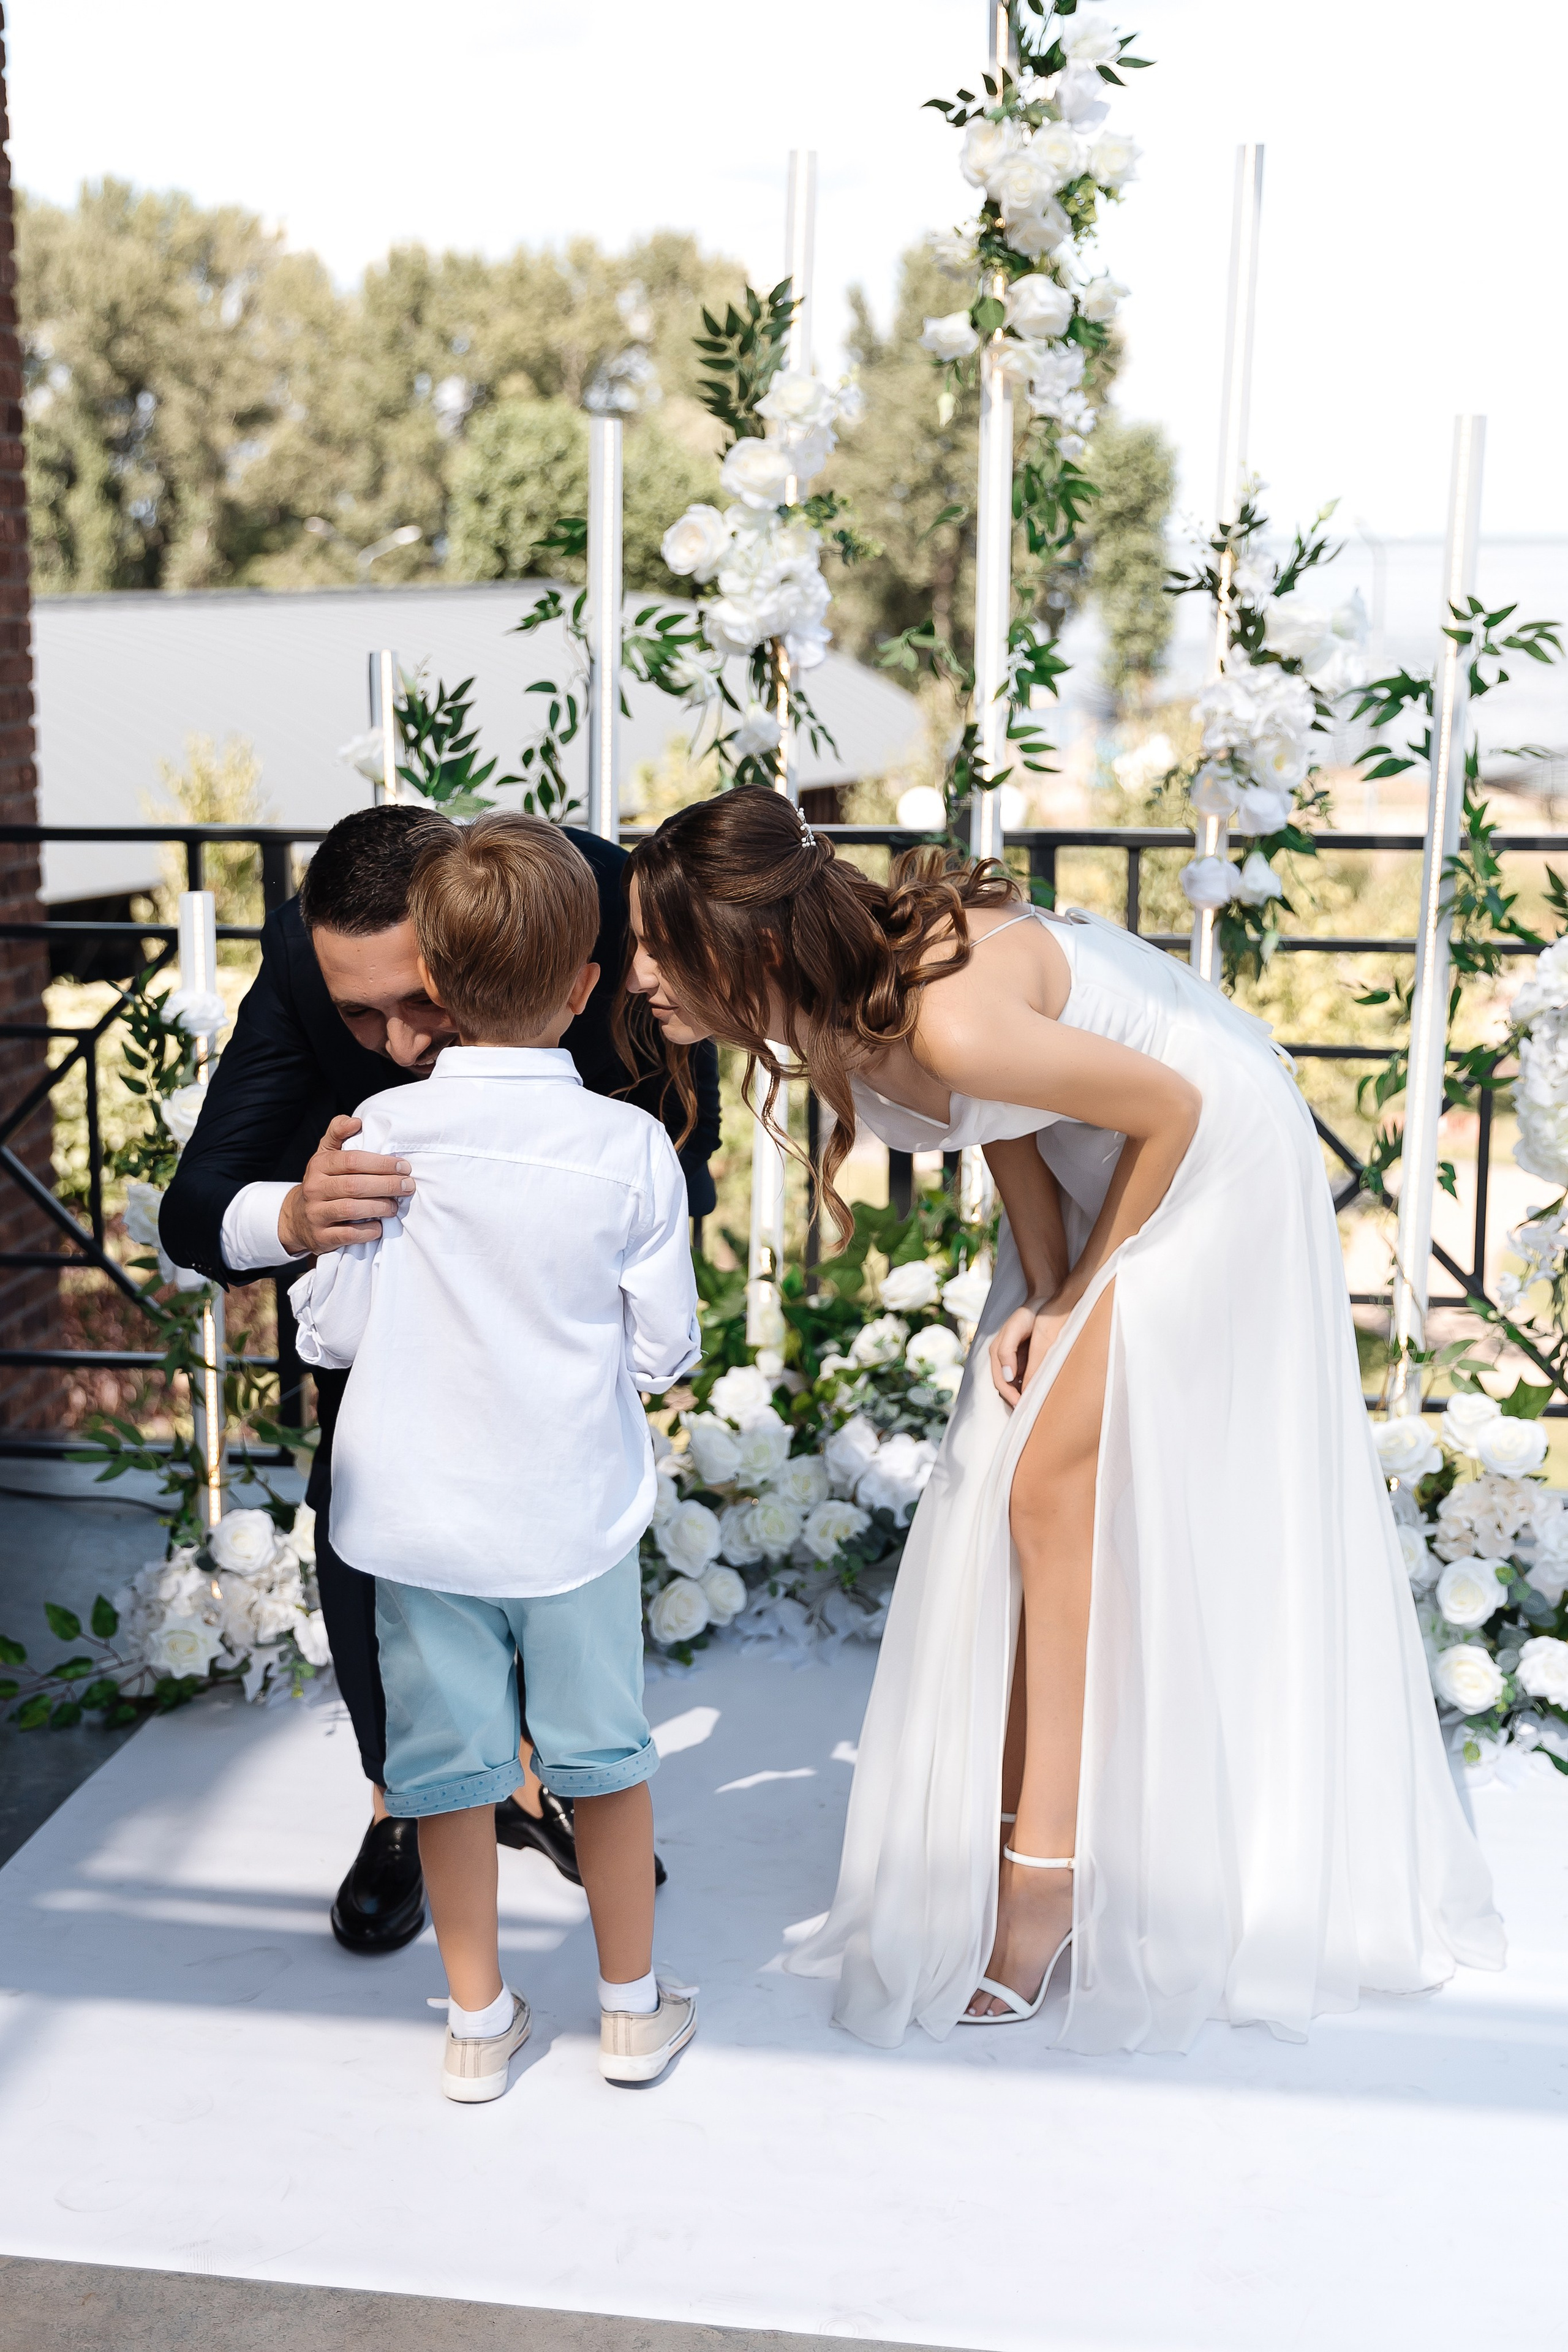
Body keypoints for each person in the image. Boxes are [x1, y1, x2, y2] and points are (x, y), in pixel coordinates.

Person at [622, 785, 1505, 2054]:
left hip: (1208, 1167)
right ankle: (1033, 1825)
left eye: (659, 943)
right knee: (1010, 1472)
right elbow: (1010, 1138)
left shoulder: (955, 1021)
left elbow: (1173, 1110)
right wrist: (1038, 1293)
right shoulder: (845, 1009)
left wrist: (1086, 1291)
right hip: (1108, 1164)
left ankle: (1045, 1880)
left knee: (1043, 1494)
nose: (639, 972)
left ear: (744, 944)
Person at [160, 803, 719, 1953]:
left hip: (565, 1308)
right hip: (388, 1274)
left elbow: (682, 1135)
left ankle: (557, 1775)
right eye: (356, 1010)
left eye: (420, 1000)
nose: (393, 1043)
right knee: (367, 1494)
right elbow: (198, 1207)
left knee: (566, 1560)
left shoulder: (608, 914)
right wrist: (302, 1215)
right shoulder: (307, 972)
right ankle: (407, 1800)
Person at [290, 812, 700, 2098]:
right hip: (568, 1516)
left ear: (440, 991)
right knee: (606, 1762)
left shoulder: (374, 1135)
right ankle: (630, 2012)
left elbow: (334, 1328)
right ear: (584, 989)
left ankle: (476, 2028)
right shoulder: (631, 1148)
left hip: (421, 1524)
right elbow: (662, 1349)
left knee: (449, 1778)